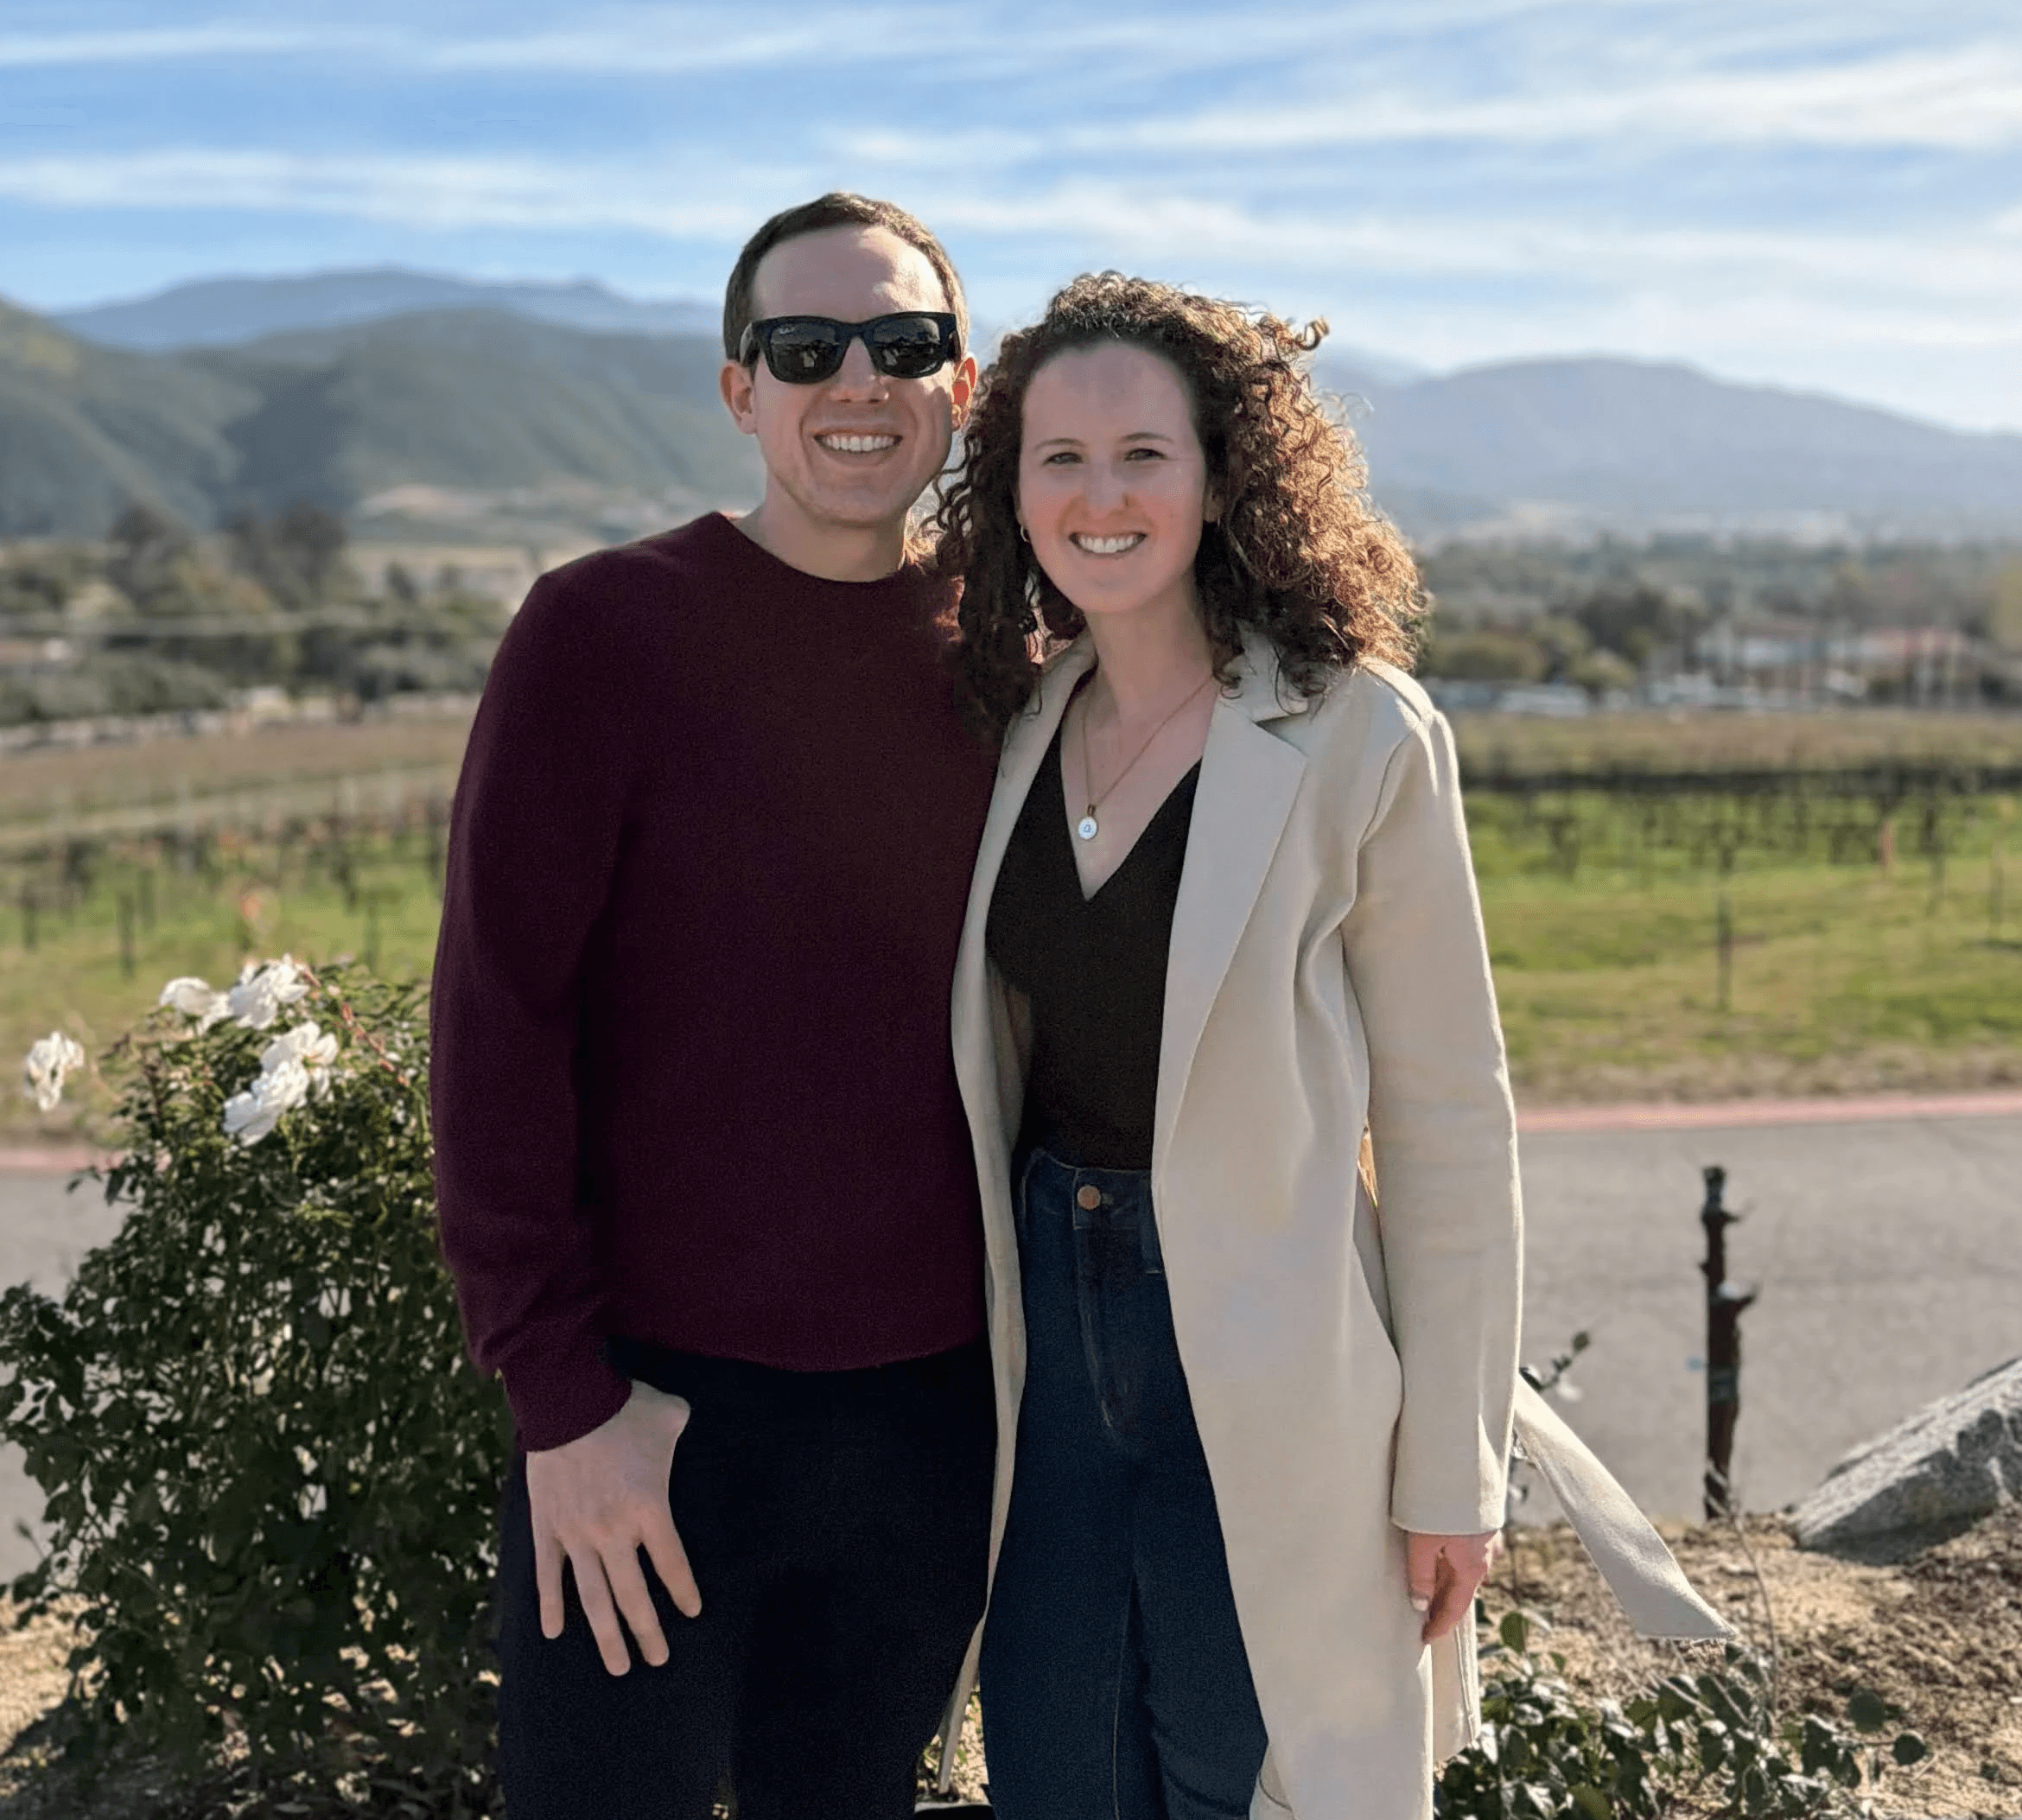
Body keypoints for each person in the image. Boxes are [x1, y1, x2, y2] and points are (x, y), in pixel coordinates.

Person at [931, 274, 1728, 1820]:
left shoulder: (1361, 731)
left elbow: (1447, 1121)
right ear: (1013, 488)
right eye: (1060, 457)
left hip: (1276, 1356)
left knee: (1262, 1783)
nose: (1101, 497)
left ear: (1222, 474)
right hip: (1049, 1352)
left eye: (1144, 454)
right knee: (1055, 1779)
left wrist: (1453, 1473)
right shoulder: (1023, 722)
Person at [430, 192, 998, 1820]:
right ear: (741, 389)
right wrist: (565, 1405)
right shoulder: (602, 632)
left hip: (933, 1424)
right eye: (806, 348)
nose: (857, 381)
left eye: (903, 343)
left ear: (960, 384)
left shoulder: (1016, 651)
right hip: (652, 1415)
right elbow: (497, 1025)